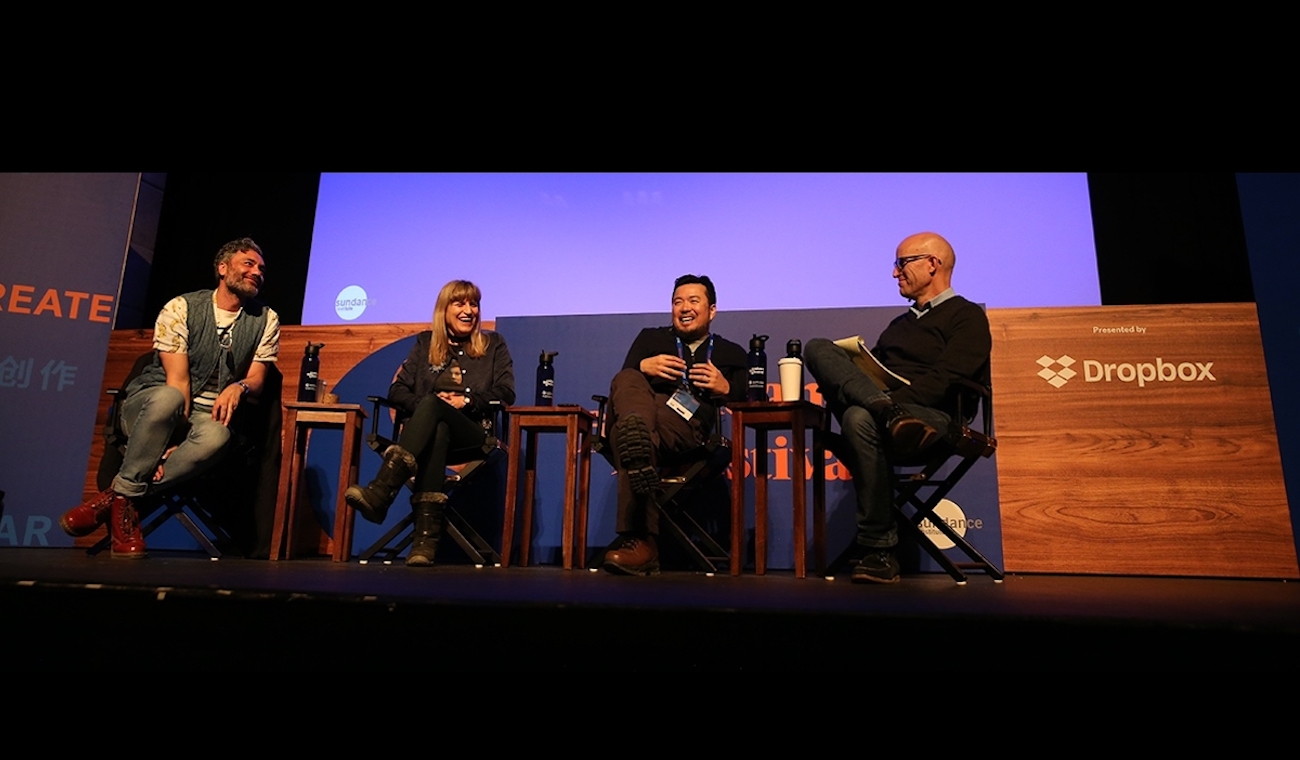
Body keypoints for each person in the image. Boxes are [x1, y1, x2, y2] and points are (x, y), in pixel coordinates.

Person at [60, 238, 280, 559]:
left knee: (218, 435)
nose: (257, 272)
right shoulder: (182, 307)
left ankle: (116, 498)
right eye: (248, 264)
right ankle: (125, 498)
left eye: (261, 268)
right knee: (167, 399)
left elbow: (258, 379)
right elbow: (178, 383)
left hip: (207, 416)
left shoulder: (266, 319)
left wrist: (239, 387)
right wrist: (167, 445)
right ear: (222, 268)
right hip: (152, 407)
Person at [805, 232, 991, 584]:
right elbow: (868, 376)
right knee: (818, 348)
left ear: (933, 264)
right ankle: (884, 413)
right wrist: (879, 398)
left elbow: (949, 378)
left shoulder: (966, 316)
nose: (895, 273)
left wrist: (895, 404)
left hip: (936, 419)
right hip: (887, 417)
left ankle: (878, 550)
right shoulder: (898, 327)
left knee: (861, 415)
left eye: (902, 263)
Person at [346, 280, 515, 567]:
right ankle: (424, 544)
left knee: (436, 409)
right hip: (428, 437)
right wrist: (428, 405)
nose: (468, 310)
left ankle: (382, 491)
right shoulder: (425, 343)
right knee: (438, 427)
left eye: (473, 304)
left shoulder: (493, 344)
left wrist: (467, 401)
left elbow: (506, 391)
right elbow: (397, 391)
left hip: (472, 437)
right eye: (460, 303)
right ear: (444, 310)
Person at [601, 274, 748, 576]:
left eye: (694, 301)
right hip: (640, 410)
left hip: (683, 425)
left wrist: (725, 388)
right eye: (677, 301)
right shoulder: (650, 339)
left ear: (712, 310)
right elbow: (624, 386)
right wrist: (641, 367)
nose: (684, 307)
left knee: (626, 434)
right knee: (628, 381)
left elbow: (751, 402)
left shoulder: (730, 353)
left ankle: (639, 540)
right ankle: (637, 437)